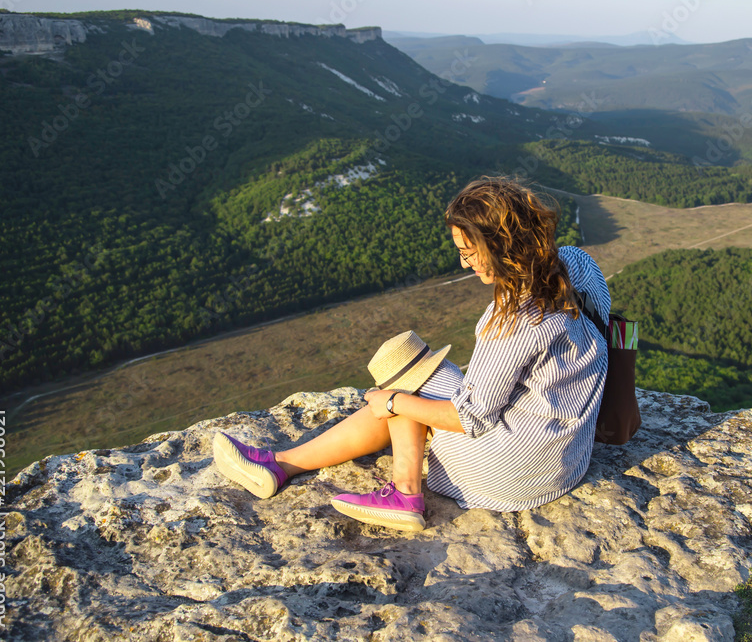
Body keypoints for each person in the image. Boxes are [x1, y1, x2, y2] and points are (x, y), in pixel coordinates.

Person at [213, 176, 610, 532]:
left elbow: (469, 417)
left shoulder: (508, 321)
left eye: (469, 251)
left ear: (500, 244)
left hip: (509, 472)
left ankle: (402, 491)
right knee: (414, 385)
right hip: (566, 460)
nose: (464, 262)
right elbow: (607, 329)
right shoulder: (576, 265)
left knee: (405, 370)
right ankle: (281, 465)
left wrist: (394, 401)